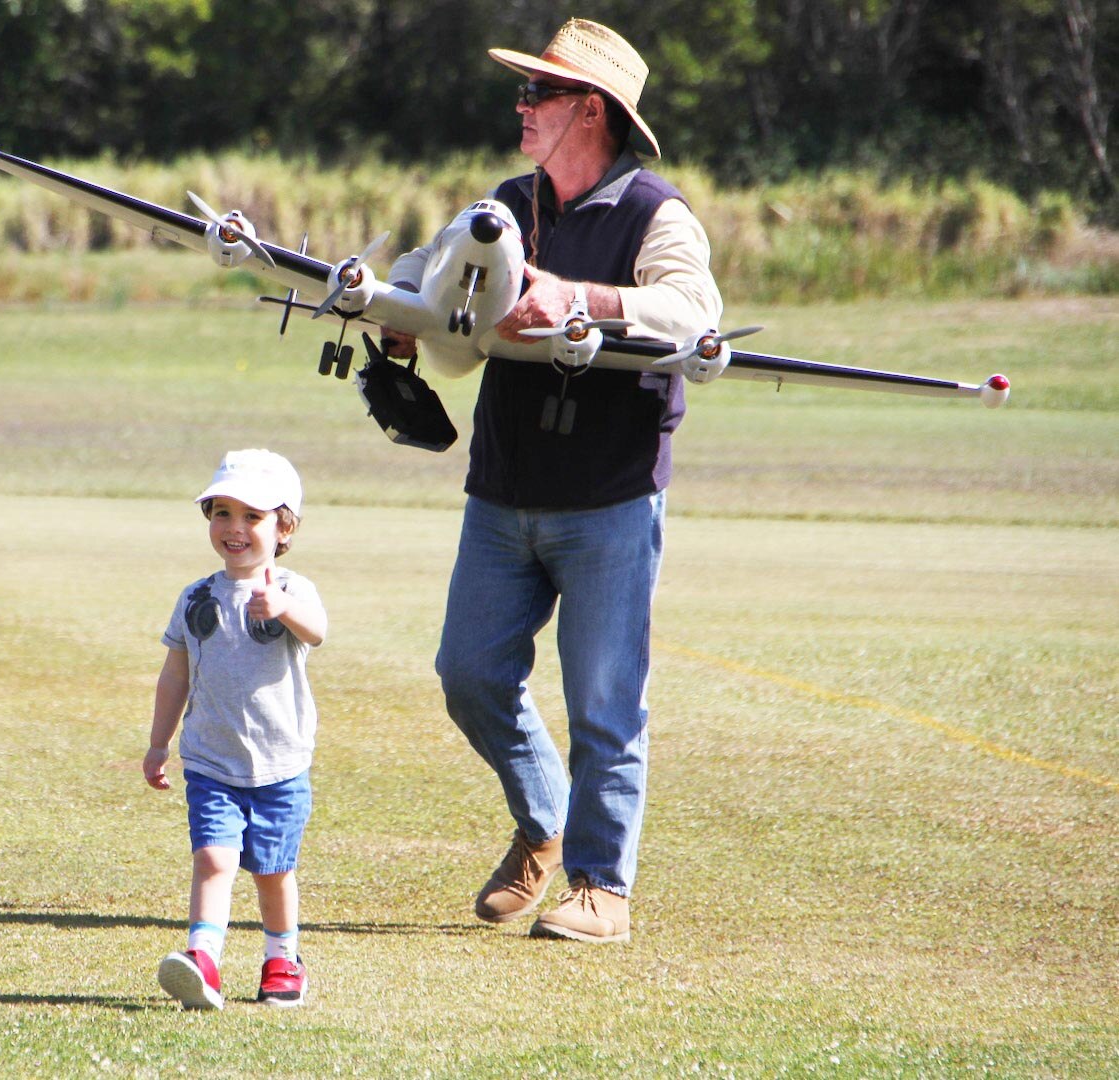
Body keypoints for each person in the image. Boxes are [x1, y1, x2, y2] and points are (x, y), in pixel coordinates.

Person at [382, 18, 724, 944]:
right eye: (526, 90)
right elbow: (423, 270)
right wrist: (403, 309)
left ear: (590, 111)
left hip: (611, 498)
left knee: (606, 704)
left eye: (539, 93)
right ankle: (544, 819)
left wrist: (578, 298)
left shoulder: (658, 213)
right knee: (468, 673)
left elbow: (695, 313)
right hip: (501, 488)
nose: (521, 105)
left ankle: (599, 887)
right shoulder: (503, 200)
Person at [143, 449, 327, 1008]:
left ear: (284, 526)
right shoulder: (195, 597)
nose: (234, 528)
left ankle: (281, 958)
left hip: (279, 766)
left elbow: (317, 632)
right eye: (222, 512)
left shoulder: (293, 590)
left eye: (253, 516)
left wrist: (282, 608)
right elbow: (176, 674)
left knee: (273, 871)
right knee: (214, 859)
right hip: (210, 763)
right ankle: (203, 959)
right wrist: (159, 742)